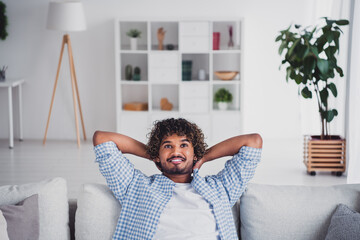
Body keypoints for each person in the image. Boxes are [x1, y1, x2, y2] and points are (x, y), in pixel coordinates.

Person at [93, 118, 262, 240]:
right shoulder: (136, 186)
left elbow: (253, 142)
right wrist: (154, 155)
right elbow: (102, 139)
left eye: (183, 145)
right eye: (168, 146)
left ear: (194, 152)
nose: (175, 152)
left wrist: (203, 157)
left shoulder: (220, 188)